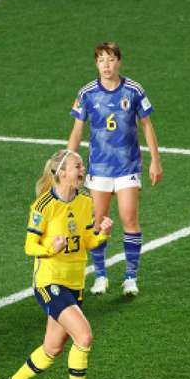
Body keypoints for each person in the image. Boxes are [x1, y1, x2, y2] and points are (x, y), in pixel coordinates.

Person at [0, 150, 113, 379]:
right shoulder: (43, 206)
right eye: (77, 166)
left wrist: (103, 235)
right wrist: (52, 247)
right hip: (49, 282)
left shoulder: (85, 201)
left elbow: (87, 241)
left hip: (75, 283)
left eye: (82, 166)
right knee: (84, 336)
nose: (82, 170)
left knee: (52, 348)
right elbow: (30, 246)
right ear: (62, 173)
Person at [66, 41, 162, 297]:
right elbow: (77, 130)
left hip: (128, 166)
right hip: (98, 168)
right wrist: (68, 160)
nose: (106, 66)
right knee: (97, 221)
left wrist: (155, 160)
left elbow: (147, 125)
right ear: (96, 64)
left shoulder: (133, 90)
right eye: (101, 61)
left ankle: (130, 277)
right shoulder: (87, 93)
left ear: (119, 61)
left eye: (110, 60)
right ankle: (100, 275)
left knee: (129, 218)